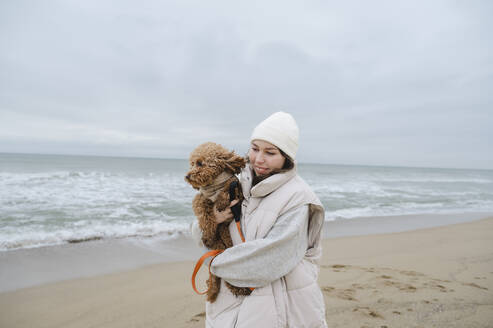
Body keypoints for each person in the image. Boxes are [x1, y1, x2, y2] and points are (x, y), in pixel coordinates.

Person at [192, 111, 327, 327]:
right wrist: (214, 219)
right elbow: (198, 230)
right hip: (230, 305)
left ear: (286, 157)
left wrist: (212, 261)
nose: (259, 159)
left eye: (270, 152)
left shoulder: (298, 198)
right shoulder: (235, 183)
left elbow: (272, 258)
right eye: (255, 149)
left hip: (282, 306)